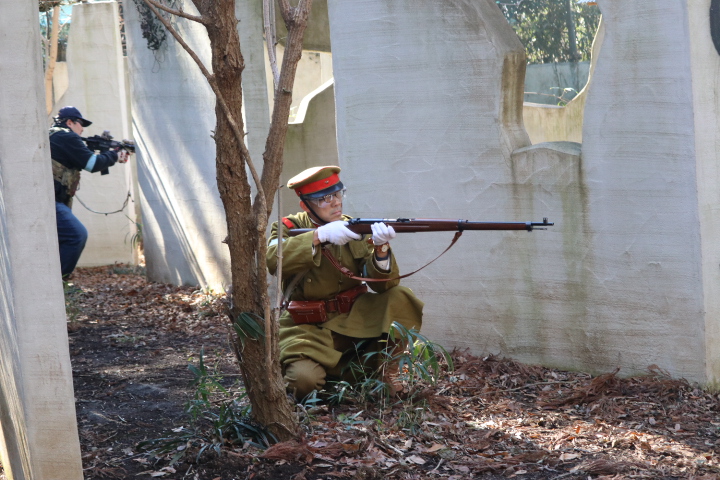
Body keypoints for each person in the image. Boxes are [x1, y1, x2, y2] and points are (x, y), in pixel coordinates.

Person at [266, 165, 424, 400]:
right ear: (305, 205)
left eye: (338, 194)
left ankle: (386, 375)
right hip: (307, 327)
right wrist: (318, 236)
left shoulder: (354, 227)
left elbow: (384, 286)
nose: (336, 202)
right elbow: (272, 260)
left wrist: (381, 248)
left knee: (401, 297)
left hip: (354, 320)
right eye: (324, 199)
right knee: (303, 381)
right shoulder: (289, 228)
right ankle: (334, 384)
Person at [49, 106, 128, 278]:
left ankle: (56, 282)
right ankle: (58, 282)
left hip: (51, 199)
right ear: (70, 122)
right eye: (80, 123)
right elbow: (92, 164)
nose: (82, 129)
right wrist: (115, 155)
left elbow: (80, 160)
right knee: (76, 235)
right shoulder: (66, 137)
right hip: (50, 202)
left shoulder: (54, 136)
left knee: (59, 241)